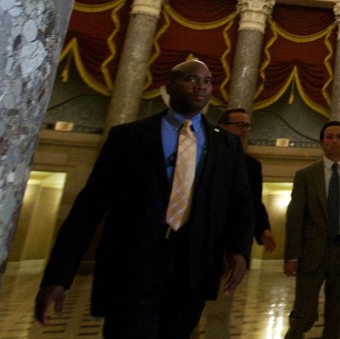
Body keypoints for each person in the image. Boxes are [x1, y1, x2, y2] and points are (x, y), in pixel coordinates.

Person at [34, 59, 255, 338]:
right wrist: (57, 277)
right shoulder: (128, 137)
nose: (200, 86)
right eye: (191, 79)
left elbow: (240, 204)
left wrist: (239, 250)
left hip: (191, 270)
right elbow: (88, 208)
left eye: (207, 81)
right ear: (169, 87)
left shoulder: (226, 144)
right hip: (132, 267)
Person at [283, 121, 340, 339]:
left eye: (339, 136)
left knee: (337, 312)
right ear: (322, 142)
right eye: (329, 137)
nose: (334, 141)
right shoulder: (305, 175)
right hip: (312, 253)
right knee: (303, 311)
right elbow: (295, 218)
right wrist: (291, 255)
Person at [203, 108, 277, 338]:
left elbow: (252, 202)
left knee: (220, 308)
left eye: (247, 126)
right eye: (239, 124)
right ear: (222, 126)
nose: (244, 130)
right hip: (199, 240)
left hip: (227, 246)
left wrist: (263, 229)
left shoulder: (251, 166)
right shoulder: (203, 155)